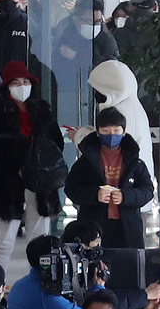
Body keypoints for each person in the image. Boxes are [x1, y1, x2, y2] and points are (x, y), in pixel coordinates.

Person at [0, 60, 65, 269]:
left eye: (25, 81)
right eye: (16, 82)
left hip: (41, 186)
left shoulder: (41, 111)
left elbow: (55, 143)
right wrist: (17, 164)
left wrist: (42, 164)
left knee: (40, 240)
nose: (22, 86)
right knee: (3, 242)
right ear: (7, 86)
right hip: (8, 185)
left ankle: (42, 285)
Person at [65, 106, 154, 249]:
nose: (111, 135)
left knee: (126, 267)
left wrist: (126, 196)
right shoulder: (86, 162)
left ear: (124, 132)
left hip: (127, 228)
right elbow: (71, 189)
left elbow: (148, 191)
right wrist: (95, 195)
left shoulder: (135, 162)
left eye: (116, 130)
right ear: (98, 132)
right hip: (93, 228)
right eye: (105, 131)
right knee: (95, 268)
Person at [82, 59, 154, 184]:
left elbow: (102, 147)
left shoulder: (121, 113)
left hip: (124, 189)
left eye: (99, 89)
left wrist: (80, 135)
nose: (96, 95)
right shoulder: (133, 107)